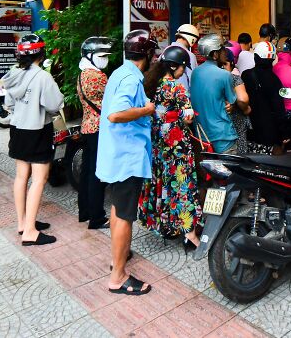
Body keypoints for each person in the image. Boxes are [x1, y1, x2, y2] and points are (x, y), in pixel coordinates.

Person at [97, 30, 158, 296]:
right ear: (148, 54)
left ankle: (118, 258)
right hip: (127, 156)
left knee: (117, 208)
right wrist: (147, 110)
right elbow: (115, 114)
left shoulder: (120, 72)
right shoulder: (132, 80)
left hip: (116, 154)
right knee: (124, 216)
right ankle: (118, 277)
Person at [2, 34, 64, 246]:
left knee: (21, 177)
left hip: (17, 128)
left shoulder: (13, 74)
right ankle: (30, 231)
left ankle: (22, 223)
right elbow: (54, 105)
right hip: (37, 129)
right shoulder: (43, 77)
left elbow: (9, 103)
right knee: (39, 179)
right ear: (41, 53)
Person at [138, 46, 202, 249]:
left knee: (162, 182)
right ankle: (189, 233)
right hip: (176, 145)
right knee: (182, 184)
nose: (183, 71)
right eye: (183, 67)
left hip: (157, 143)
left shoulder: (150, 84)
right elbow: (188, 117)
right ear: (174, 66)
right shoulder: (176, 87)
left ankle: (165, 224)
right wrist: (181, 115)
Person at [76, 36, 113, 228]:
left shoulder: (82, 74)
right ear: (90, 56)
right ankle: (97, 217)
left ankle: (85, 211)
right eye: (101, 55)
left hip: (87, 127)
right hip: (99, 128)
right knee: (98, 173)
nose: (105, 59)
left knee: (87, 171)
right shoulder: (98, 76)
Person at [189, 34, 238, 154]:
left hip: (202, 137)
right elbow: (232, 101)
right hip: (223, 136)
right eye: (223, 49)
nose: (225, 52)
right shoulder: (225, 75)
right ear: (215, 54)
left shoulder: (195, 72)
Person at [241, 42, 286, 154]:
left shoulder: (246, 75)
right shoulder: (275, 80)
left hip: (250, 129)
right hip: (269, 132)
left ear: (256, 57)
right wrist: (283, 134)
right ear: (272, 59)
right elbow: (279, 110)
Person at [221, 46, 251, 152]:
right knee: (239, 155)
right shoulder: (234, 78)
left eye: (224, 64)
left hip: (219, 127)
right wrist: (246, 109)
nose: (222, 67)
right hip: (236, 124)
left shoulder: (210, 79)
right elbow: (242, 99)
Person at [172, 23, 200, 90]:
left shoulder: (165, 51)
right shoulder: (189, 55)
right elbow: (193, 81)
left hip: (164, 93)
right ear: (192, 38)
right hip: (182, 94)